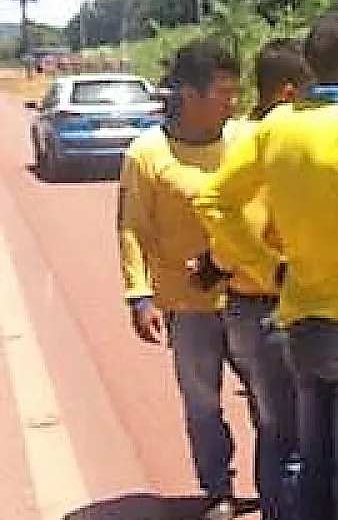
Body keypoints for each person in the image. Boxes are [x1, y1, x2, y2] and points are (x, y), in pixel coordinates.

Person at [194, 11, 338, 520]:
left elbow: (214, 201)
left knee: (314, 470)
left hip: (301, 316)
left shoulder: (279, 124)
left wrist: (269, 268)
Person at [117, 39, 257, 520]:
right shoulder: (147, 153)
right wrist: (139, 295)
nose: (232, 102)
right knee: (202, 404)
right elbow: (132, 226)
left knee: (271, 401)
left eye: (236, 91)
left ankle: (278, 488)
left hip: (251, 295)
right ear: (190, 95)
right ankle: (218, 490)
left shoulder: (247, 139)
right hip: (188, 305)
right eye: (223, 93)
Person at [186, 37, 312, 519]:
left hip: (246, 305)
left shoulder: (239, 137)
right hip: (270, 307)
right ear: (288, 91)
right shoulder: (271, 143)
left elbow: (225, 231)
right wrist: (276, 273)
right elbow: (249, 224)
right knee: (290, 433)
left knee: (274, 427)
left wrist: (220, 265)